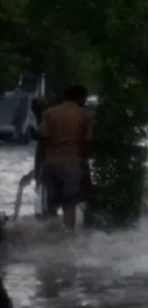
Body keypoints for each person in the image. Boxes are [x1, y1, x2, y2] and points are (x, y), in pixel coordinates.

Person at [39, 85, 93, 230]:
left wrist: (39, 166)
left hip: (50, 163)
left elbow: (43, 139)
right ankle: (68, 238)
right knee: (69, 203)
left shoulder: (49, 113)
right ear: (80, 98)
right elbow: (86, 142)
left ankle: (50, 234)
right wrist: (85, 164)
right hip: (73, 163)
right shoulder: (85, 115)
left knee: (51, 202)